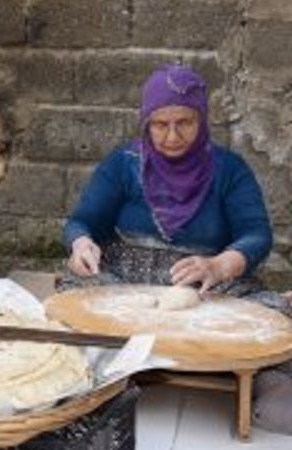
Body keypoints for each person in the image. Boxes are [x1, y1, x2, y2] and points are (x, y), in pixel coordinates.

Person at [62, 64, 292, 434]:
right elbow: (82, 220)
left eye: (184, 122)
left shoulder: (229, 170)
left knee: (266, 315)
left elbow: (256, 235)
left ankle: (263, 378)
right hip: (125, 278)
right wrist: (81, 244)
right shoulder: (124, 165)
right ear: (145, 122)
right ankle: (81, 375)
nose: (171, 136)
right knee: (73, 304)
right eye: (160, 124)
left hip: (203, 282)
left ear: (202, 119)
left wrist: (219, 265)